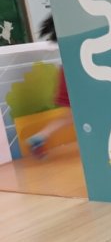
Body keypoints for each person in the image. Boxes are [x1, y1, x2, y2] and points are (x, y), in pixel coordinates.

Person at [26, 15, 73, 158]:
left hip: (69, 72)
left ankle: (39, 137)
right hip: (74, 74)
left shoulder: (68, 36)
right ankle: (39, 137)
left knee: (70, 116)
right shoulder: (73, 34)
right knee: (72, 115)